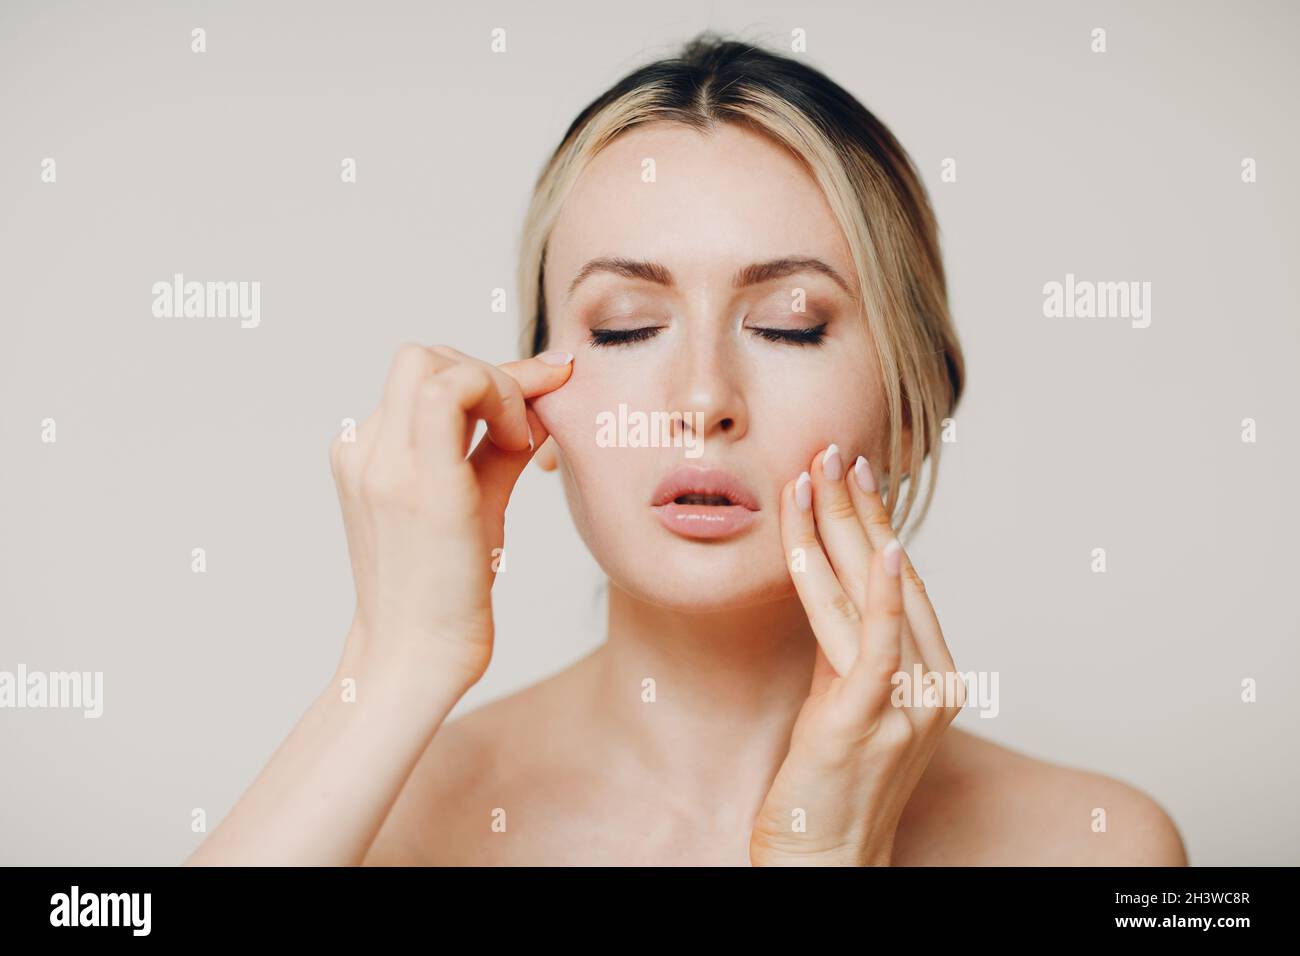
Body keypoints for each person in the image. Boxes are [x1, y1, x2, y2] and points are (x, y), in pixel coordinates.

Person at [188, 34, 1188, 866]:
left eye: (791, 324)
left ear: (913, 408)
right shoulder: (384, 826)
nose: (702, 400)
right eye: (625, 326)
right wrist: (396, 659)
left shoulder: (1097, 848)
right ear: (536, 401)